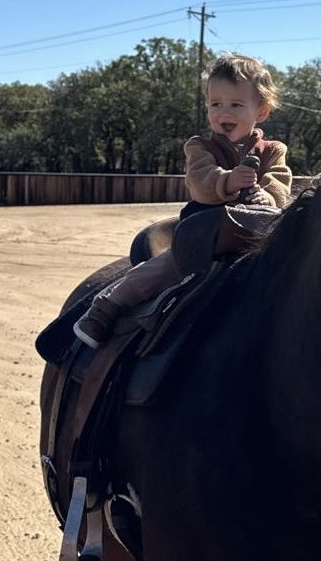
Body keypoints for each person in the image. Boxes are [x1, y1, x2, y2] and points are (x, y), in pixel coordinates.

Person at [73, 53, 292, 348]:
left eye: (236, 105)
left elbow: (279, 180)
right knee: (165, 268)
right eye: (215, 104)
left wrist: (268, 195)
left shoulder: (273, 150)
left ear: (261, 111)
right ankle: (107, 306)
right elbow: (200, 180)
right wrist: (227, 181)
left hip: (254, 234)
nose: (223, 112)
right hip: (205, 232)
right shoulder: (200, 146)